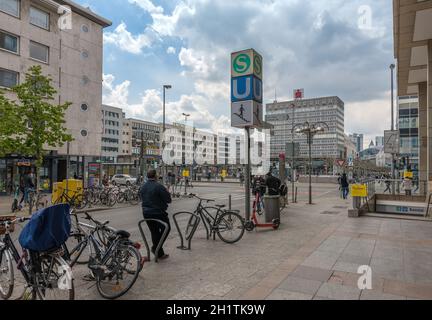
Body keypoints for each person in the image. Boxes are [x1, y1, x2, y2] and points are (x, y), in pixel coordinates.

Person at [140, 169, 172, 260]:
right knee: (167, 228)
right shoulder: (159, 186)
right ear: (156, 176)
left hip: (146, 213)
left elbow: (141, 197)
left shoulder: (143, 186)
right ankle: (155, 248)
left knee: (154, 232)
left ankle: (159, 252)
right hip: (158, 213)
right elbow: (168, 200)